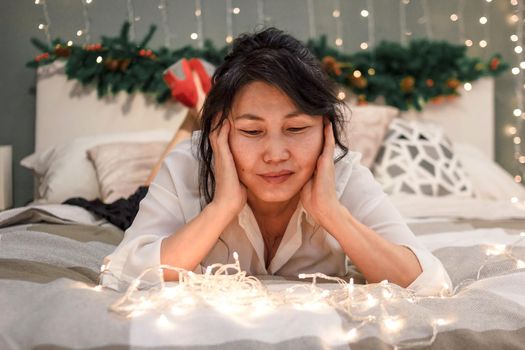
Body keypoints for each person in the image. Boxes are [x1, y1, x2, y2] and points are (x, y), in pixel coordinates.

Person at [101, 27, 452, 296]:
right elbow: (119, 274)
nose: (275, 154)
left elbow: (430, 284)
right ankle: (196, 114)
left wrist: (332, 213)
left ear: (325, 130)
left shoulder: (343, 172)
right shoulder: (187, 165)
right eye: (252, 131)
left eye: (296, 128)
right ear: (222, 131)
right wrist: (221, 207)